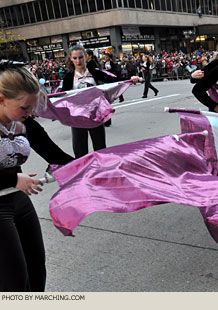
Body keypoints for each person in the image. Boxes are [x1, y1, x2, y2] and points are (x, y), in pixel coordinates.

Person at [0, 63, 74, 291]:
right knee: (14, 280)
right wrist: (13, 180)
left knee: (36, 270)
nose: (30, 113)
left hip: (20, 201)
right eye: (24, 107)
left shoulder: (24, 122)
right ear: (1, 99)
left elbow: (53, 153)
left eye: (32, 107)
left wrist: (84, 167)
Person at [62, 45, 138, 158]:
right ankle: (84, 174)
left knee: (100, 148)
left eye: (81, 57)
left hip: (95, 114)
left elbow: (113, 81)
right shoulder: (68, 77)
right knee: (80, 151)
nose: (78, 61)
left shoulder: (94, 72)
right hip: (77, 116)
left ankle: (102, 172)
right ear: (71, 59)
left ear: (86, 57)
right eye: (75, 58)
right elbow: (62, 97)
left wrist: (129, 80)